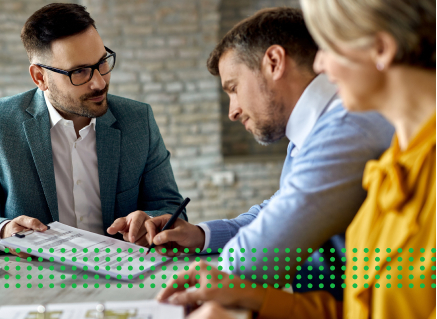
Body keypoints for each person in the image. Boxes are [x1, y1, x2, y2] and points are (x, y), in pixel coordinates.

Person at [158, 0, 436, 318]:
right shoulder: (387, 165)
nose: (319, 64)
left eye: (329, 45)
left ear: (381, 49)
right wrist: (249, 292)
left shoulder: (354, 130)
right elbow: (363, 309)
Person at [0, 3, 186, 256]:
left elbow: (171, 208)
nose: (99, 82)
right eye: (78, 72)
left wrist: (150, 221)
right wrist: (3, 231)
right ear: (39, 77)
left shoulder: (138, 120)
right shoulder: (0, 122)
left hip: (126, 280)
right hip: (37, 283)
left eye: (102, 62)